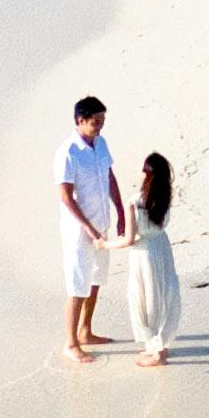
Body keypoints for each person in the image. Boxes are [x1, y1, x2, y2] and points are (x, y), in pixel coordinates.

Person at [59, 97, 127, 360]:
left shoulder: (101, 143)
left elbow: (109, 176)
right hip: (79, 232)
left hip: (102, 224)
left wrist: (120, 210)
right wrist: (88, 229)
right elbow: (66, 197)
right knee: (78, 286)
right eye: (95, 122)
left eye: (102, 121)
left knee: (97, 279)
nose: (100, 126)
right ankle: (71, 344)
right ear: (80, 120)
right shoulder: (68, 152)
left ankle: (86, 331)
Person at [124, 150, 183, 365]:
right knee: (162, 294)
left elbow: (129, 239)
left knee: (146, 297)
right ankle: (158, 346)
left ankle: (158, 353)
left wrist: (103, 245)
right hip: (161, 247)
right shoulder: (165, 196)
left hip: (143, 252)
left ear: (147, 175)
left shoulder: (134, 202)